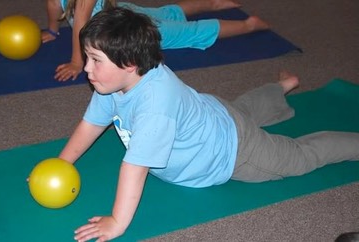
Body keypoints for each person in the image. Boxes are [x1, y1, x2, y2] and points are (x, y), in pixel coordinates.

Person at [57, 7, 359, 242]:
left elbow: (134, 168)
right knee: (242, 111)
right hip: (211, 114)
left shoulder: (155, 108)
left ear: (129, 64)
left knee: (299, 157)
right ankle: (280, 87)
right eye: (87, 58)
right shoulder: (114, 82)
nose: (86, 69)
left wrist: (117, 222)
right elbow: (91, 124)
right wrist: (61, 165)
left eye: (96, 60)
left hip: (234, 151)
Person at [42, 0, 269, 82]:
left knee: (188, 32)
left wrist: (77, 62)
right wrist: (53, 31)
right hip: (120, 11)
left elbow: (80, 23)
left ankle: (249, 24)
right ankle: (213, 2)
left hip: (126, 29)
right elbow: (53, 6)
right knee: (165, 13)